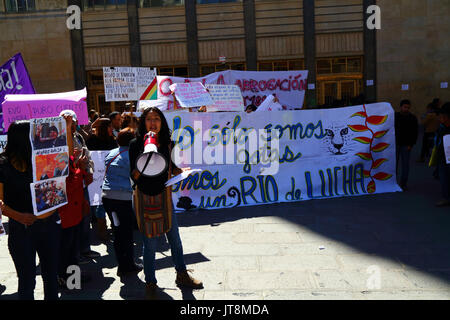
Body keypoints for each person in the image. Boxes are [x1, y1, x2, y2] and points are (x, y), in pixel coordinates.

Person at [129, 107, 203, 298]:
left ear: (162, 123)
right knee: (150, 244)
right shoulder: (135, 144)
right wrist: (146, 154)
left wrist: (180, 171)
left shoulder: (168, 144)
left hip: (164, 197)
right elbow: (134, 175)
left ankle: (181, 274)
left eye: (157, 119)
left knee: (175, 240)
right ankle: (151, 283)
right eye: (149, 119)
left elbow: (169, 167)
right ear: (143, 122)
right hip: (145, 197)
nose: (153, 123)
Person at [0, 121, 60, 300]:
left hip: (48, 225)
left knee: (51, 277)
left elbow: (56, 192)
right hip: (21, 229)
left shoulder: (43, 159)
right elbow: (0, 201)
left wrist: (45, 213)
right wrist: (20, 217)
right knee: (26, 281)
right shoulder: (3, 164)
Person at [56, 114, 92, 288]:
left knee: (72, 246)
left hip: (75, 209)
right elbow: (68, 182)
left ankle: (73, 279)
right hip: (66, 211)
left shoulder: (74, 144)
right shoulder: (57, 154)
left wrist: (80, 167)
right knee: (67, 247)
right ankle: (67, 279)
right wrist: (80, 168)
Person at [102, 128, 143, 276]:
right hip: (122, 199)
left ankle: (123, 264)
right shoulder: (131, 155)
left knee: (118, 231)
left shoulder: (111, 153)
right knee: (125, 232)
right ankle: (127, 265)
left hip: (107, 197)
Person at [59, 109, 98, 262]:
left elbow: (86, 154)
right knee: (74, 220)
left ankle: (84, 249)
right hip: (71, 186)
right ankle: (75, 256)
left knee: (85, 215)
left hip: (82, 181)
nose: (73, 127)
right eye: (70, 124)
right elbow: (62, 164)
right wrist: (77, 163)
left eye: (74, 124)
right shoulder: (60, 139)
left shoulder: (79, 137)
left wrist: (87, 170)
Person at [86, 118, 118, 241]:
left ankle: (115, 228)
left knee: (112, 205)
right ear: (104, 128)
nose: (112, 129)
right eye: (110, 126)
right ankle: (102, 230)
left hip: (111, 177)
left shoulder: (113, 140)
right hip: (97, 179)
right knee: (99, 205)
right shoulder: (92, 140)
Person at [394, 99, 418, 191]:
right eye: (405, 107)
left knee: (405, 165)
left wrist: (411, 144)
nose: (406, 109)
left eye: (408, 107)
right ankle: (393, 182)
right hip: (396, 144)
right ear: (401, 107)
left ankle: (403, 183)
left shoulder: (412, 118)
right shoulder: (396, 116)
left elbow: (414, 132)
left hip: (406, 145)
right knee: (393, 164)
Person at [433, 102, 450, 207]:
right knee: (444, 178)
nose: (439, 118)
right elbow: (437, 141)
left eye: (441, 116)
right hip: (443, 158)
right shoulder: (441, 128)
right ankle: (446, 197)